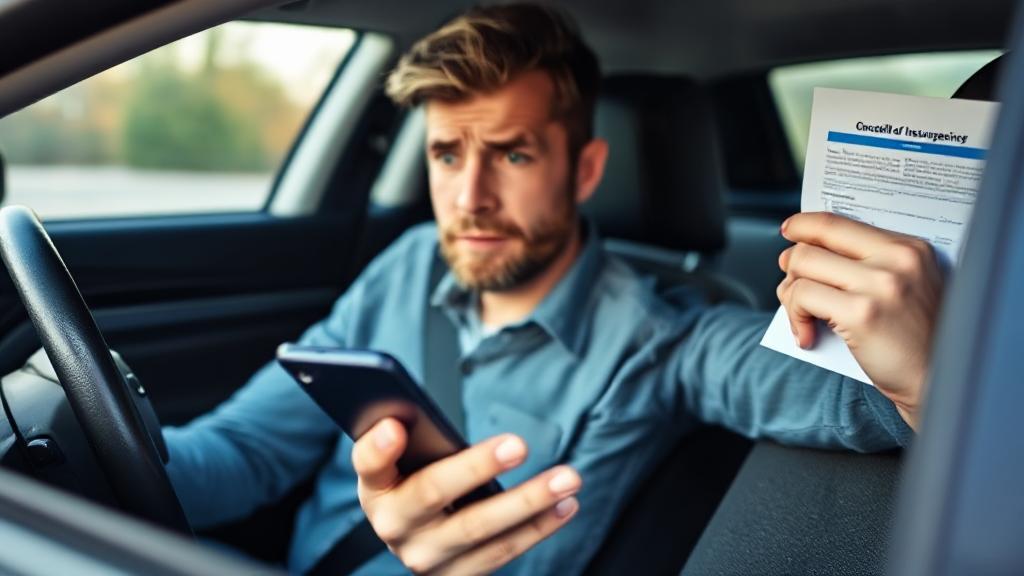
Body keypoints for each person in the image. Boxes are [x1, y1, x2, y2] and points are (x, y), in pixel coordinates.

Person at [164, 4, 938, 574]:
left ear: (586, 169)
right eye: (445, 154)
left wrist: (931, 374)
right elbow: (240, 453)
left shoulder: (665, 330)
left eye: (513, 156)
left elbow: (849, 396)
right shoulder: (407, 262)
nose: (469, 197)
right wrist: (85, 450)